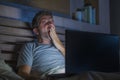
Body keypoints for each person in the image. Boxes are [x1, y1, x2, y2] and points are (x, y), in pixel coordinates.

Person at [17, 10, 65, 80]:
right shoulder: (30, 47)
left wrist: (57, 41)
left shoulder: (60, 46)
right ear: (36, 31)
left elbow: (75, 65)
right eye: (44, 22)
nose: (50, 24)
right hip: (50, 76)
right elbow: (23, 73)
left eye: (51, 21)